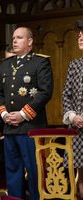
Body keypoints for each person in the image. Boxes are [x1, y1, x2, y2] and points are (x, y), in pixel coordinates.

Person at [0, 26, 53, 200]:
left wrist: (23, 114)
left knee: (35, 171)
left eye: (19, 37)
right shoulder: (5, 64)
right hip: (10, 127)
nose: (14, 41)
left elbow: (45, 92)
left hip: (30, 127)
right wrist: (4, 114)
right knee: (12, 173)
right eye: (13, 38)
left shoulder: (40, 62)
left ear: (30, 41)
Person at [62, 19, 83, 199]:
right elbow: (66, 95)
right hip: (77, 129)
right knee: (79, 176)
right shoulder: (75, 64)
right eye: (79, 34)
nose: (80, 36)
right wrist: (72, 116)